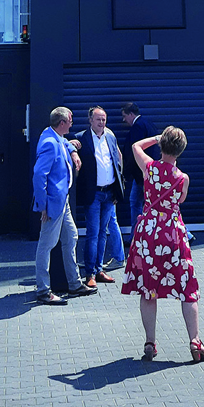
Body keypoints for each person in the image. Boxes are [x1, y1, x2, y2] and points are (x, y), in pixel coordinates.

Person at [121, 126, 204, 363]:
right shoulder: (182, 178)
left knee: (148, 289)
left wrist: (156, 138)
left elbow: (135, 146)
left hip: (148, 233)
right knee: (187, 287)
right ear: (181, 151)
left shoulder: (149, 168)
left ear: (162, 146)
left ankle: (150, 342)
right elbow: (179, 201)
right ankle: (194, 341)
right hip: (172, 233)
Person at [31, 107, 97, 305]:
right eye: (70, 121)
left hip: (62, 200)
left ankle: (74, 284)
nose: (72, 124)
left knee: (71, 236)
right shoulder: (50, 143)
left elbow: (65, 143)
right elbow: (38, 175)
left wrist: (73, 150)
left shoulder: (53, 135)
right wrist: (43, 206)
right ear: (62, 123)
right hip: (53, 203)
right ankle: (43, 290)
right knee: (46, 246)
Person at [72, 107, 125, 288]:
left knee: (103, 233)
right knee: (93, 234)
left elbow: (117, 161)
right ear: (90, 120)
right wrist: (70, 146)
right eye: (98, 119)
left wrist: (118, 190)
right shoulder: (81, 138)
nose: (101, 122)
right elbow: (67, 148)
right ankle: (90, 273)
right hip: (93, 194)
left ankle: (99, 269)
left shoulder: (110, 137)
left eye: (104, 119)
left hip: (109, 193)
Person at [121, 102, 158, 235]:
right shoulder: (148, 124)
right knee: (154, 204)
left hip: (141, 174)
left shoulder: (137, 127)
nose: (124, 120)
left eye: (125, 116)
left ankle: (136, 236)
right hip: (151, 172)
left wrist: (126, 173)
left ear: (131, 114)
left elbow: (134, 152)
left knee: (135, 203)